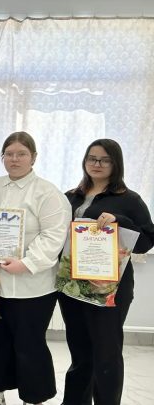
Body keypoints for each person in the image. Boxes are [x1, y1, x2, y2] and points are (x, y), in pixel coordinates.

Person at [0, 132, 71, 405]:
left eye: (21, 154)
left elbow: (54, 236)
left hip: (33, 287)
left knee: (29, 345)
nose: (14, 159)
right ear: (2, 157)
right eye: (9, 154)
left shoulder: (47, 193)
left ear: (34, 157)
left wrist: (27, 263)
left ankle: (34, 398)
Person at [59, 139, 154, 405]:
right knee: (80, 354)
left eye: (105, 160)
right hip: (72, 287)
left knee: (106, 355)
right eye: (92, 158)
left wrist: (119, 221)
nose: (97, 164)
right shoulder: (70, 196)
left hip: (110, 291)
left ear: (116, 163)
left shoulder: (129, 199)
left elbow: (147, 241)